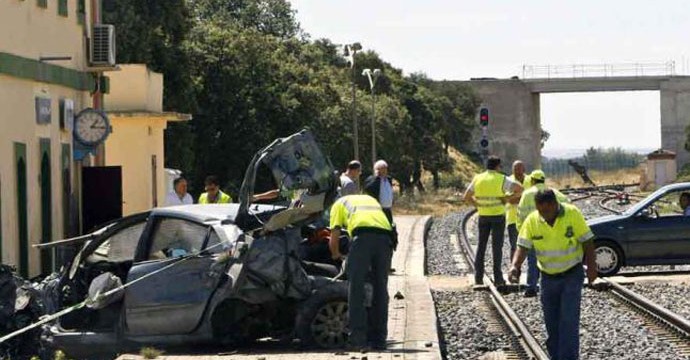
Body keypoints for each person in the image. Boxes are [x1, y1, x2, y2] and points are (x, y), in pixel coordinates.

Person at [509, 189, 597, 360]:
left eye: (547, 210)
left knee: (569, 321)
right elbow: (523, 246)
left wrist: (592, 267)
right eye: (540, 210)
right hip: (548, 278)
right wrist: (515, 266)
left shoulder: (572, 214)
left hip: (572, 274)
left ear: (555, 205)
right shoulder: (533, 220)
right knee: (551, 323)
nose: (544, 214)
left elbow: (587, 240)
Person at [329, 194, 394, 351]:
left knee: (356, 289)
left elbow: (334, 235)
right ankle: (379, 340)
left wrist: (336, 254)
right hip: (386, 239)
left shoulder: (338, 204)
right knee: (380, 288)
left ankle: (357, 340)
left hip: (363, 238)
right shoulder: (370, 200)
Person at [463, 155, 522, 286]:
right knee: (497, 247)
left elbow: (466, 196)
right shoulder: (501, 179)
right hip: (498, 217)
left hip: (483, 216)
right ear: (497, 166)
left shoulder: (478, 178)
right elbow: (520, 189)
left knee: (481, 246)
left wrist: (478, 205)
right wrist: (507, 199)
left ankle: (478, 278)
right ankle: (498, 278)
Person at [516, 170, 570, 297]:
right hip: (552, 233)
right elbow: (568, 206)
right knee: (552, 260)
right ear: (543, 180)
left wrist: (523, 233)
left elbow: (520, 215)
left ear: (532, 180)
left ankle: (531, 287)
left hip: (533, 233)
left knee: (532, 261)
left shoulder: (526, 194)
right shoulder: (554, 193)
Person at [506, 161, 531, 261]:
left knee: (531, 248)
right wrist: (526, 198)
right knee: (514, 246)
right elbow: (510, 200)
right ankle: (514, 271)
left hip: (530, 219)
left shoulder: (530, 180)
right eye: (514, 169)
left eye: (518, 169)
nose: (516, 171)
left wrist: (518, 198)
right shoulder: (509, 180)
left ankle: (532, 273)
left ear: (524, 169)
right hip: (513, 219)